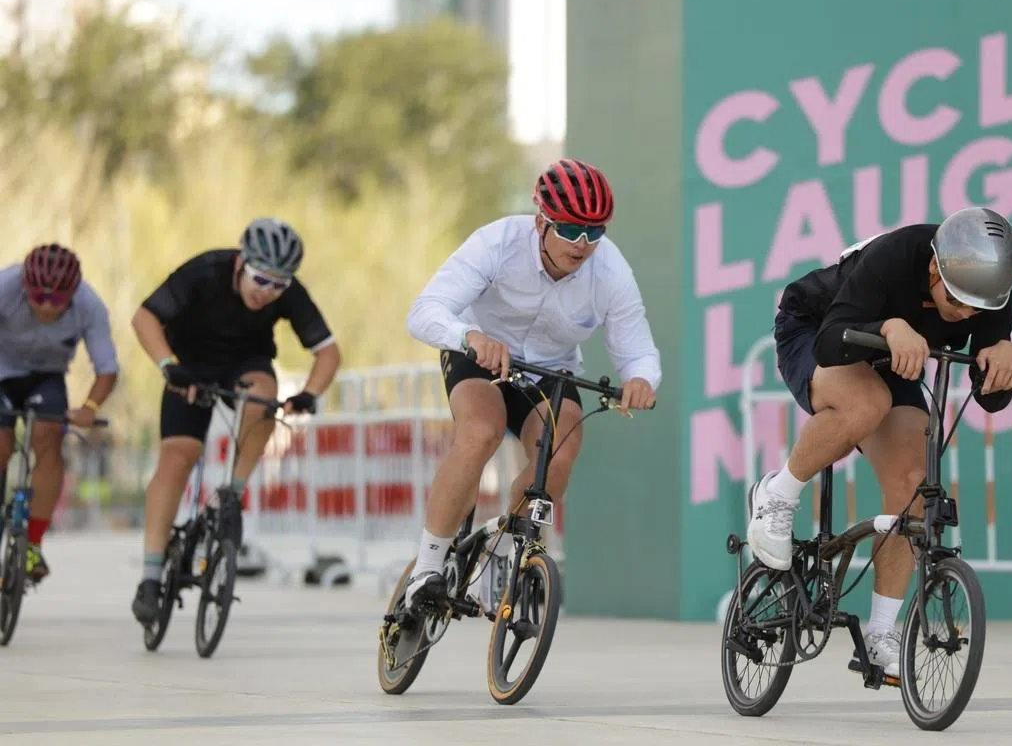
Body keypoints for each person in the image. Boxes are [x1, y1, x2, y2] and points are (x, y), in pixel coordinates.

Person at [750, 206, 1012, 679]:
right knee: (865, 403)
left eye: (977, 309)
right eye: (956, 301)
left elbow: (990, 399)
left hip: (893, 361)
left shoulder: (989, 296)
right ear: (936, 267)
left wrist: (1005, 356)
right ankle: (778, 493)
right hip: (818, 330)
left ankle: (881, 635)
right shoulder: (894, 255)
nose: (964, 315)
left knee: (914, 483)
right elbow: (831, 342)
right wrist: (889, 328)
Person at [403, 158, 660, 611]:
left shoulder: (611, 273)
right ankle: (426, 567)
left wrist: (640, 379)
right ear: (540, 220)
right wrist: (470, 336)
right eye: (569, 229)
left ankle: (501, 551)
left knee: (561, 449)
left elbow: (637, 348)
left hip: (550, 370)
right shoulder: (496, 243)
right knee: (480, 431)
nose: (582, 244)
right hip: (479, 355)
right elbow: (424, 312)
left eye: (595, 232)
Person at [129, 218, 341, 624]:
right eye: (260, 279)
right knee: (178, 456)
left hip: (245, 363)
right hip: (189, 365)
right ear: (242, 262)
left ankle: (232, 495)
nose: (267, 293)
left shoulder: (286, 292)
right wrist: (168, 366)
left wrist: (309, 393)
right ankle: (151, 575)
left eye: (278, 286)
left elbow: (328, 352)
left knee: (264, 398)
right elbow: (144, 318)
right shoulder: (205, 270)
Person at [0, 244, 119, 582]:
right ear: (25, 287)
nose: (47, 307)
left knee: (49, 437)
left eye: (57, 301)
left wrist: (90, 407)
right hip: (1, 371)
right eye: (38, 298)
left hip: (47, 377)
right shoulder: (4, 288)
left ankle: (33, 546)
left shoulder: (89, 305)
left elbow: (107, 369)